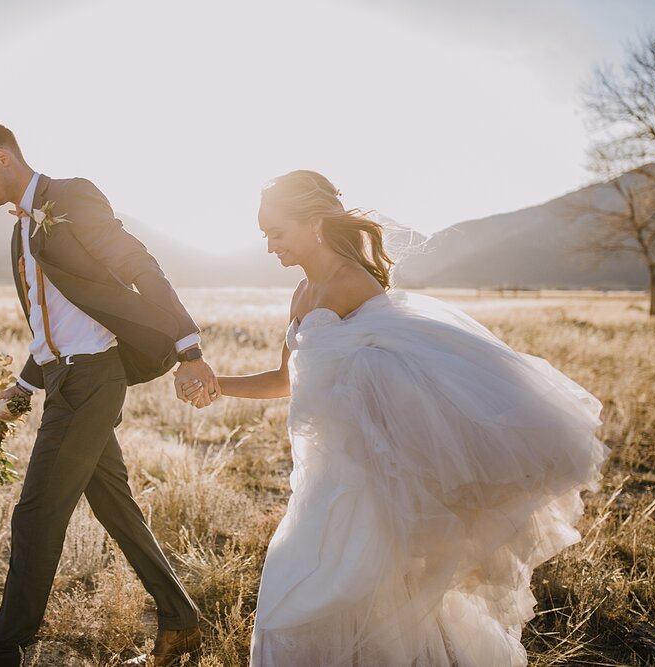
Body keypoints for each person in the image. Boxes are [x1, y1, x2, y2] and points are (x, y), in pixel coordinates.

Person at [181, 170, 608, 666]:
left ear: (314, 223)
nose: (270, 246)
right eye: (264, 236)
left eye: (277, 232)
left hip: (361, 472)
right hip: (318, 472)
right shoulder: (301, 293)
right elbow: (284, 379)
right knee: (306, 585)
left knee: (357, 590)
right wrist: (218, 385)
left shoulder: (356, 287)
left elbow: (405, 377)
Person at [0, 117, 218, 667]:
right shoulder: (18, 229)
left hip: (92, 377)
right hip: (66, 377)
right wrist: (20, 392)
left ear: (3, 157)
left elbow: (138, 264)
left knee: (37, 514)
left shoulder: (70, 197)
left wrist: (189, 347)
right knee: (114, 506)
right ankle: (181, 619)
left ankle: (2, 652)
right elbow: (51, 332)